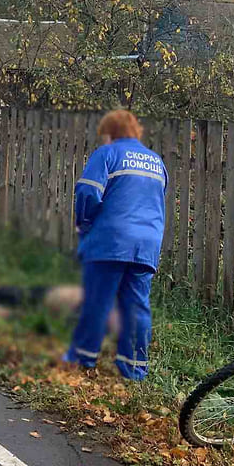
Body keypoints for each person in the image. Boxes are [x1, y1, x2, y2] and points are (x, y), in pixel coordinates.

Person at [63, 110, 167, 381]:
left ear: (110, 132)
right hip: (147, 244)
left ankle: (83, 358)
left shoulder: (107, 153)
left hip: (111, 239)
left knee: (98, 299)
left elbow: (88, 190)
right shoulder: (156, 162)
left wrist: (84, 222)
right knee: (137, 305)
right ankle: (134, 369)